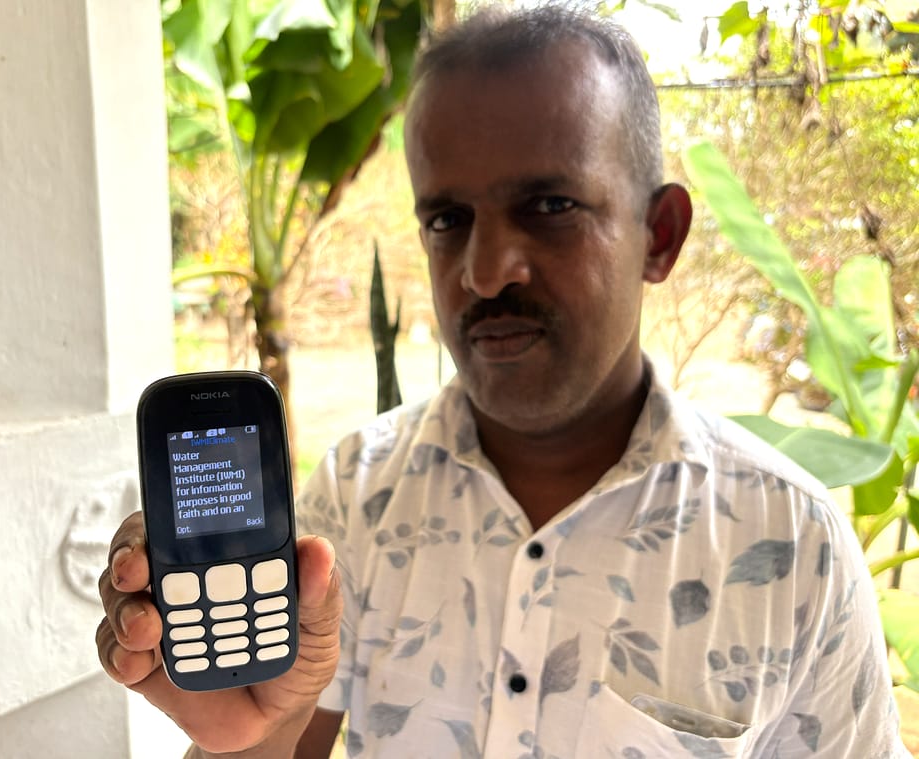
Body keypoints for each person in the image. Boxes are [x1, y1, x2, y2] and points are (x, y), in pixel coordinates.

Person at [97, 5, 910, 757]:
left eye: (550, 205)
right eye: (447, 220)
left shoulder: (792, 546)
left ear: (658, 236)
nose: (484, 272)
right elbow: (274, 736)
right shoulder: (352, 500)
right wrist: (246, 736)